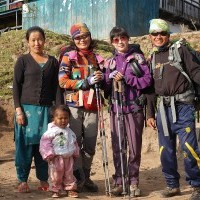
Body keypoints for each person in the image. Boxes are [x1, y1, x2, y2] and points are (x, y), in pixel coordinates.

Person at [146, 18, 200, 200]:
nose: (158, 37)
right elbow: (151, 90)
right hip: (163, 109)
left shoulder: (180, 50)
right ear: (150, 37)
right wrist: (150, 113)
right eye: (155, 34)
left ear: (168, 35)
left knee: (188, 147)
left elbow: (196, 73)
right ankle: (172, 185)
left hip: (184, 106)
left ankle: (196, 186)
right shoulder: (152, 58)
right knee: (165, 150)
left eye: (162, 33)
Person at [103, 26, 152, 197]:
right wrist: (107, 79)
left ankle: (133, 182)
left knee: (134, 147)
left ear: (128, 39)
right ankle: (119, 181)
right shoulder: (109, 62)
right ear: (112, 42)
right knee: (117, 147)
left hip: (133, 109)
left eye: (123, 38)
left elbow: (147, 81)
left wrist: (128, 79)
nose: (120, 42)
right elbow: (106, 89)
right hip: (116, 109)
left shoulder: (139, 59)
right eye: (116, 40)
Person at [13, 26, 60, 193]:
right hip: (26, 111)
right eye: (33, 40)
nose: (37, 43)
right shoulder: (23, 61)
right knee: (24, 147)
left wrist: (58, 111)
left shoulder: (53, 62)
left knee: (45, 146)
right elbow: (16, 88)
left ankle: (42, 179)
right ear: (28, 42)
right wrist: (18, 110)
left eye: (39, 39)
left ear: (44, 40)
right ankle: (22, 180)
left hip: (46, 112)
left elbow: (57, 88)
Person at [58, 23, 104, 192]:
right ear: (73, 40)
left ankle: (86, 175)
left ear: (90, 37)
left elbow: (104, 79)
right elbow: (62, 81)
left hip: (93, 105)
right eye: (78, 38)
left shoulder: (97, 57)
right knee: (75, 143)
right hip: (74, 107)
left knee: (90, 145)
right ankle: (77, 177)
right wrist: (85, 82)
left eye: (85, 36)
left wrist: (102, 76)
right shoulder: (68, 57)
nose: (82, 40)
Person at [40, 105, 79, 198]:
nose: (63, 120)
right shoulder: (51, 131)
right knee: (56, 175)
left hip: (68, 158)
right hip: (56, 158)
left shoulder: (70, 131)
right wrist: (48, 154)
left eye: (66, 118)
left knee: (69, 174)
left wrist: (75, 152)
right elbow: (44, 143)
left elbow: (74, 142)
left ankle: (70, 189)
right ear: (54, 118)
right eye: (60, 118)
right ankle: (55, 190)